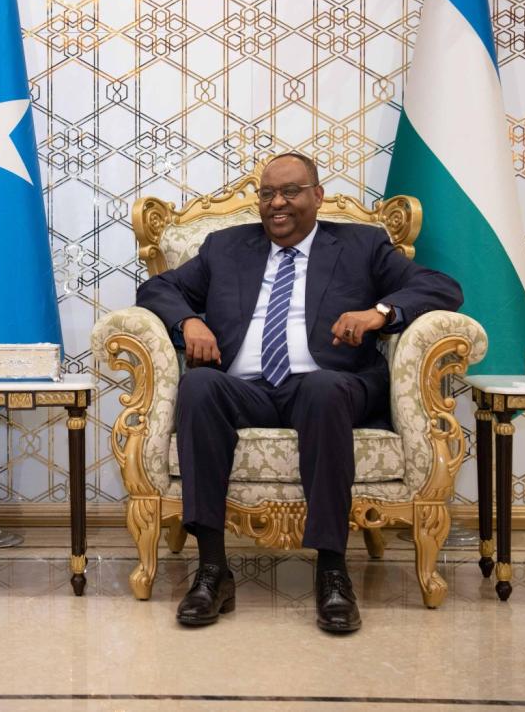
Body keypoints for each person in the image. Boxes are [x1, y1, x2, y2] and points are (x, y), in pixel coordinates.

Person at [136, 152, 463, 633]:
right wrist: (188, 322)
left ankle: (332, 571)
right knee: (199, 385)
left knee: (322, 388)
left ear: (317, 195)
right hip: (246, 388)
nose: (277, 203)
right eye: (268, 194)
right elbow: (156, 289)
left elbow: (442, 287)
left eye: (290, 191)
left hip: (329, 385)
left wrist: (379, 313)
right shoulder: (226, 247)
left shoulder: (361, 245)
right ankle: (212, 570)